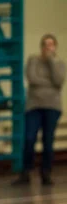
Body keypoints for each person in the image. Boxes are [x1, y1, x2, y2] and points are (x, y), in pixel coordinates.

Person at [13, 33, 66, 186]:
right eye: (45, 44)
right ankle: (25, 172)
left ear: (55, 47)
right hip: (34, 106)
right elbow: (32, 79)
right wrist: (49, 83)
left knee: (48, 140)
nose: (48, 48)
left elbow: (59, 80)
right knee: (29, 138)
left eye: (51, 45)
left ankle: (46, 172)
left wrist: (50, 61)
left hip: (52, 107)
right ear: (41, 46)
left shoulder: (59, 63)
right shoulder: (33, 60)